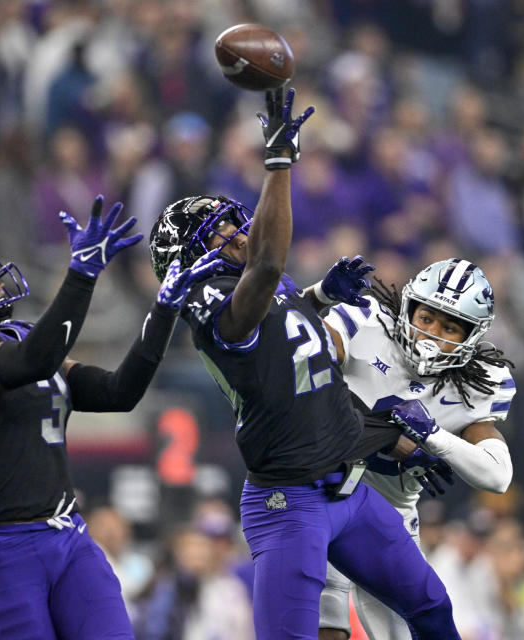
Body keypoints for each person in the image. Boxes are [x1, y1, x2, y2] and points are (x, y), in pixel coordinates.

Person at [148, 87, 460, 639]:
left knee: (432, 607)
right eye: (217, 235)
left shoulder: (257, 291)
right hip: (289, 502)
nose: (235, 233)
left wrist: (318, 294)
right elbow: (265, 271)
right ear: (191, 262)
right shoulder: (214, 304)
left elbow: (281, 316)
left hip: (347, 488)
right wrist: (278, 162)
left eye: (230, 223)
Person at [0, 195, 222, 639]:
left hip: (67, 536)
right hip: (2, 549)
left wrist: (162, 312)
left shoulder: (19, 334)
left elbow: (119, 392)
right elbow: (25, 365)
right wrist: (80, 275)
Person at [316, 258, 518, 640]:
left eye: (449, 327)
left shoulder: (473, 386)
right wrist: (315, 300)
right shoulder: (366, 322)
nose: (430, 334)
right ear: (408, 306)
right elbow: (304, 372)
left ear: (472, 338)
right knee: (326, 621)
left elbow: (498, 476)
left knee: (407, 631)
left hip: (390, 515)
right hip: (322, 491)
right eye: (425, 318)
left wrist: (434, 436)